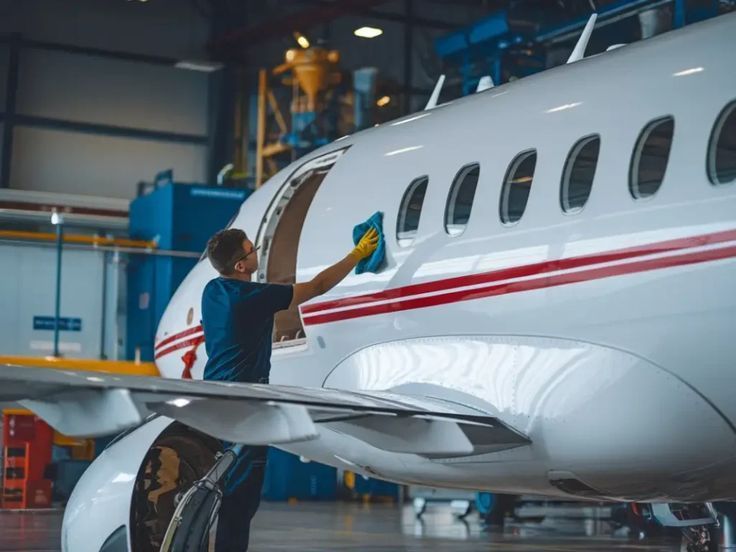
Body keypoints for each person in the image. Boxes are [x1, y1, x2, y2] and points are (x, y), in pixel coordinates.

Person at [201, 225, 379, 552]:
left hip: (213, 400)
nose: (257, 252)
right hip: (246, 408)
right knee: (240, 502)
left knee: (215, 494)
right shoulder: (251, 298)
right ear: (241, 266)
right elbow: (318, 286)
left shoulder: (212, 291)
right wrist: (357, 255)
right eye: (252, 250)